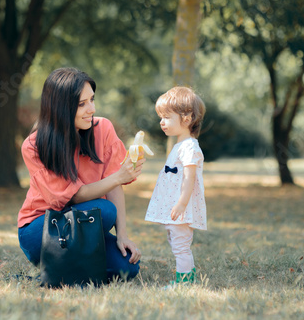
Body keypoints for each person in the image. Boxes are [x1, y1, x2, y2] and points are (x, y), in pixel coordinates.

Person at [18, 67, 143, 282]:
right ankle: (63, 264)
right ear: (60, 107)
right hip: (43, 228)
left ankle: (66, 268)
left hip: (87, 223)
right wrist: (117, 177)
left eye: (92, 100)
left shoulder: (103, 129)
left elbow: (115, 186)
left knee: (127, 268)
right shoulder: (33, 145)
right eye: (81, 104)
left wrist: (122, 235)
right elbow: (71, 197)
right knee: (104, 211)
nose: (91, 109)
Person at [145, 86, 207, 286]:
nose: (161, 122)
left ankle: (185, 281)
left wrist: (181, 204)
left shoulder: (189, 147)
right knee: (175, 241)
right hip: (176, 205)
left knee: (180, 245)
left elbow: (190, 178)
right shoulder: (180, 145)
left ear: (187, 118)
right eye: (160, 117)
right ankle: (188, 270)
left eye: (167, 117)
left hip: (182, 206)